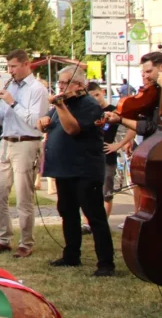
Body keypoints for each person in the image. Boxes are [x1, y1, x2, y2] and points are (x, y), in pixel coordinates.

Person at [37, 66, 114, 276]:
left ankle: (106, 263)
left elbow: (72, 129)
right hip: (64, 168)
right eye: (59, 83)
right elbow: (46, 123)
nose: (60, 87)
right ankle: (71, 255)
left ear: (79, 85)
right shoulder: (62, 104)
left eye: (65, 83)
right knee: (68, 213)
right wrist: (43, 121)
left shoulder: (89, 104)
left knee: (94, 215)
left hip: (85, 168)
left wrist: (59, 105)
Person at [0, 49, 48, 259]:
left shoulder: (37, 89)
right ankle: (3, 238)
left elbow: (33, 120)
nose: (10, 71)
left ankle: (26, 242)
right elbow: (6, 119)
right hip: (6, 142)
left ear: (26, 64)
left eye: (13, 67)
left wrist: (12, 102)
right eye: (8, 66)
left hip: (26, 143)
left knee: (23, 196)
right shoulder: (10, 85)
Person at [102, 50, 162, 212]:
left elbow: (152, 127)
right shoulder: (152, 93)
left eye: (149, 72)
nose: (146, 77)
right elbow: (141, 120)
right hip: (147, 148)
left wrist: (121, 119)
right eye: (143, 72)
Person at [88, 82, 121, 221]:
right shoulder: (90, 111)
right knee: (89, 191)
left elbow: (132, 126)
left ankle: (104, 221)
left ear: (102, 92)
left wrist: (118, 145)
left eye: (97, 95)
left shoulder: (114, 110)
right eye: (92, 97)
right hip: (91, 156)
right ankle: (88, 222)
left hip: (108, 156)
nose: (96, 99)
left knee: (106, 191)